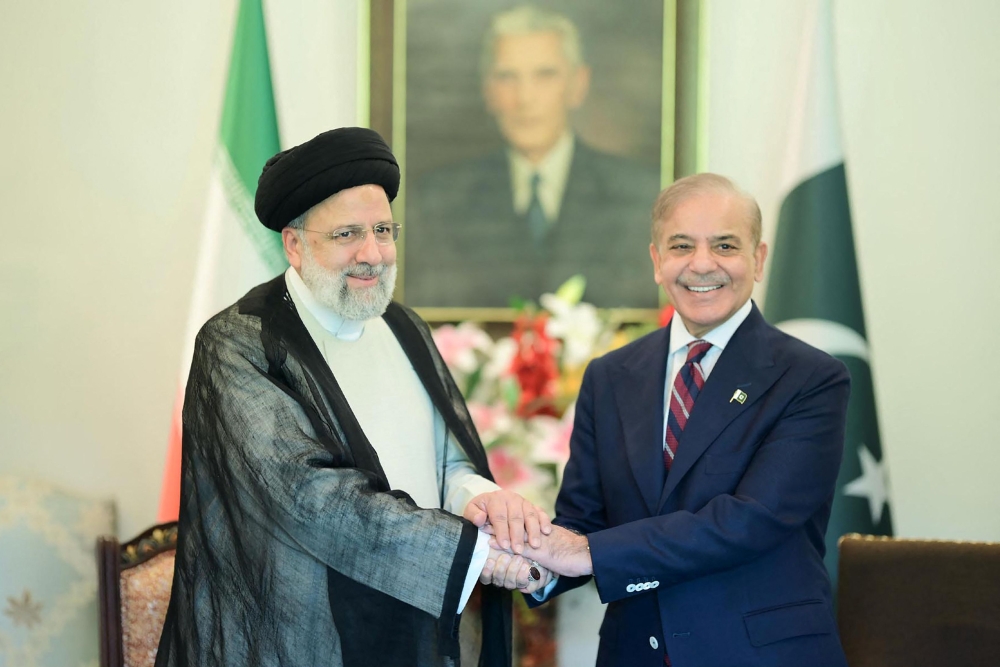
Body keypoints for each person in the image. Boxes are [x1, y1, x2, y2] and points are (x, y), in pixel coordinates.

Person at [155, 127, 552, 667]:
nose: (373, 254)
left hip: (412, 626)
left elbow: (446, 458)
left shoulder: (404, 326)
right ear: (295, 244)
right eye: (347, 234)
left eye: (383, 230)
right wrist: (477, 555)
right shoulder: (240, 342)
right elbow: (309, 498)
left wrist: (477, 497)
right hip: (300, 638)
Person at [515, 174, 851, 666]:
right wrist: (527, 564)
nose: (701, 264)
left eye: (724, 245)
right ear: (656, 261)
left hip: (759, 654)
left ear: (757, 259)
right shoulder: (610, 377)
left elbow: (749, 521)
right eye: (681, 246)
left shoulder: (811, 378)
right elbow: (583, 522)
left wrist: (585, 553)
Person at [405, 4, 660, 308]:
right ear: (488, 91)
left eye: (544, 75)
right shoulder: (440, 200)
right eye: (507, 77)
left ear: (578, 85)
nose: (524, 98)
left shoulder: (636, 196)